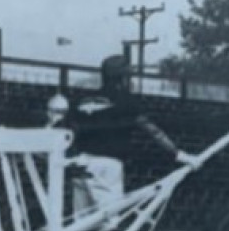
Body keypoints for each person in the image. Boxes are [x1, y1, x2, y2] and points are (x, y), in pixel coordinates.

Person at [67, 55, 190, 213]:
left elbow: (70, 130)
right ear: (122, 77)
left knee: (79, 222)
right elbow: (152, 131)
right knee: (109, 222)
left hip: (81, 162)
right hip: (108, 165)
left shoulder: (83, 101)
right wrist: (177, 153)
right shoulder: (127, 101)